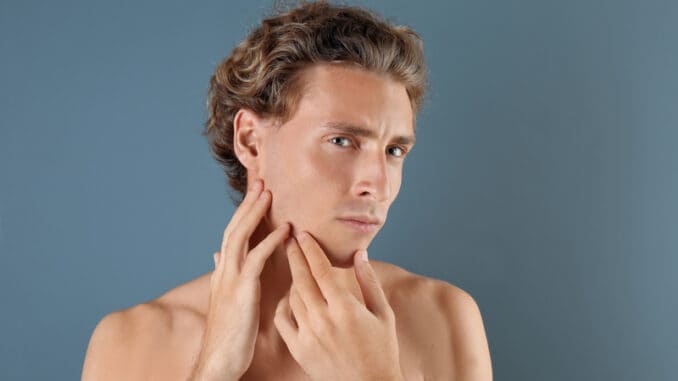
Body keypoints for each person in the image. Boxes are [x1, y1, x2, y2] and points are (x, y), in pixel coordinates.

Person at [81, 1, 492, 380]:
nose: (379, 185)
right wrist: (214, 367)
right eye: (342, 141)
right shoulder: (132, 342)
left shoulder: (442, 317)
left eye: (394, 150)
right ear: (250, 141)